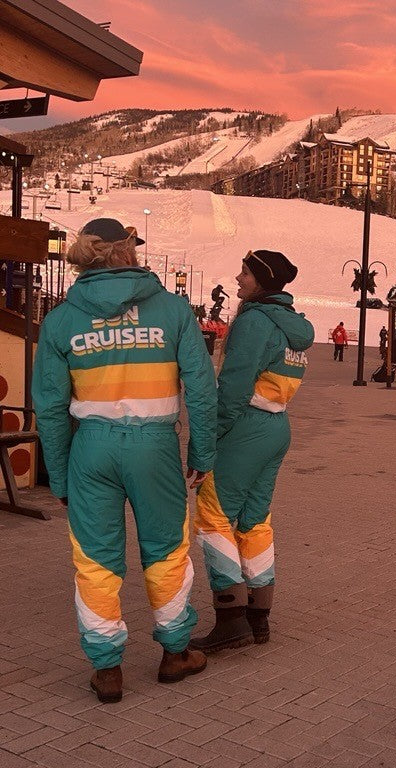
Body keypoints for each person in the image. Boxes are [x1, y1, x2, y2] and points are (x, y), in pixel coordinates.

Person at [32, 218, 217, 704]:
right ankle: (175, 653)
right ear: (126, 251)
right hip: (154, 447)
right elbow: (201, 390)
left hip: (90, 449)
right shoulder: (174, 311)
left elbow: (50, 406)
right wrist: (201, 454)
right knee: (166, 549)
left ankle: (107, 668)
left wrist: (59, 471)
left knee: (94, 559)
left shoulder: (61, 319)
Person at [192, 249, 314, 653]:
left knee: (213, 514)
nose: (239, 278)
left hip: (245, 425)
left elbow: (233, 388)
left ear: (262, 280)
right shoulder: (293, 326)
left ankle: (230, 617)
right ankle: (258, 615)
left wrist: (206, 442)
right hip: (277, 425)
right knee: (254, 518)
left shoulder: (255, 322)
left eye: (245, 272)